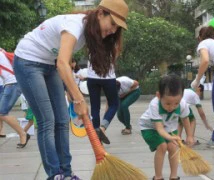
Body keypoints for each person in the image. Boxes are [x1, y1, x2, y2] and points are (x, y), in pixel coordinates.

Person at [13, 0, 128, 179]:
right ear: (100, 14)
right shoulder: (75, 25)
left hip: (48, 64)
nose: (113, 30)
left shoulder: (90, 32)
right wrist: (78, 99)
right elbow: (63, 63)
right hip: (27, 61)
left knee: (62, 119)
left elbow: (61, 63)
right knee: (47, 120)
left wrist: (76, 98)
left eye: (117, 28)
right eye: (112, 23)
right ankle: (55, 174)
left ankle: (66, 172)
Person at [87, 0, 128, 145]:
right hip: (108, 76)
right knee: (114, 104)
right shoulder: (113, 40)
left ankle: (96, 136)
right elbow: (116, 55)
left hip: (92, 77)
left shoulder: (91, 35)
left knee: (95, 107)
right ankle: (103, 128)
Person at [139, 75, 194, 180]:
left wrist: (190, 136)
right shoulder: (154, 105)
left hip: (169, 128)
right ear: (159, 95)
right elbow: (159, 129)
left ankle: (173, 176)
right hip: (149, 128)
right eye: (168, 103)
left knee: (173, 147)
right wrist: (170, 137)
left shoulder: (182, 104)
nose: (172, 107)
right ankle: (158, 177)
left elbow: (185, 119)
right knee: (162, 146)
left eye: (176, 103)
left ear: (181, 97)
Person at [0, 49, 30, 147]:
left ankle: (22, 133)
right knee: (2, 113)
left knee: (2, 113)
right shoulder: (1, 52)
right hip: (12, 83)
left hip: (12, 84)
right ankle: (23, 133)